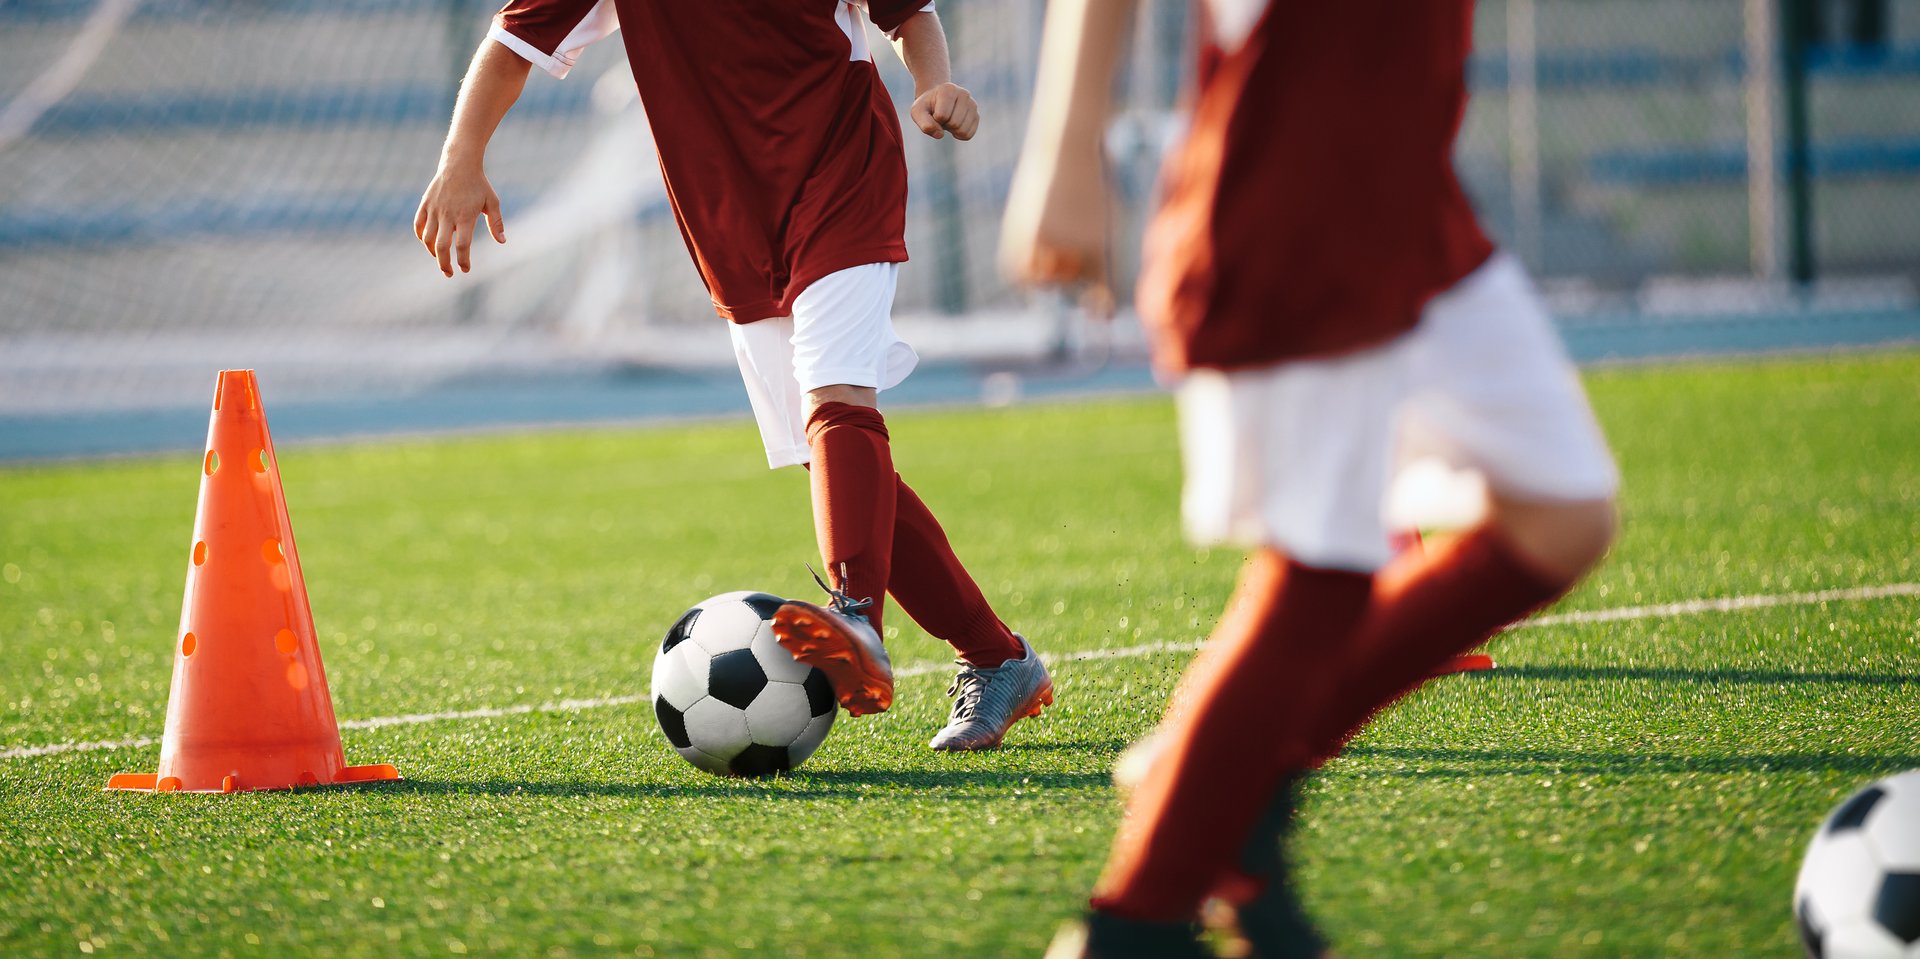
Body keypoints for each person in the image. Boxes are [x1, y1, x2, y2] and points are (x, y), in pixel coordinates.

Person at [1001, 1, 1620, 955]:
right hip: (1288, 210)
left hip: (1419, 213)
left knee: (1564, 510)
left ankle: (1228, 775)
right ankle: (1132, 921)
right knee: (1320, 576)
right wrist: (1065, 153)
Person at [415, 0, 1053, 751]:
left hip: (846, 168)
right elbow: (510, 43)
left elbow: (908, 13)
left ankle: (856, 613)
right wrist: (461, 156)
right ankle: (997, 658)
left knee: (835, 387)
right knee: (834, 459)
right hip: (731, 216)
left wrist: (934, 85)